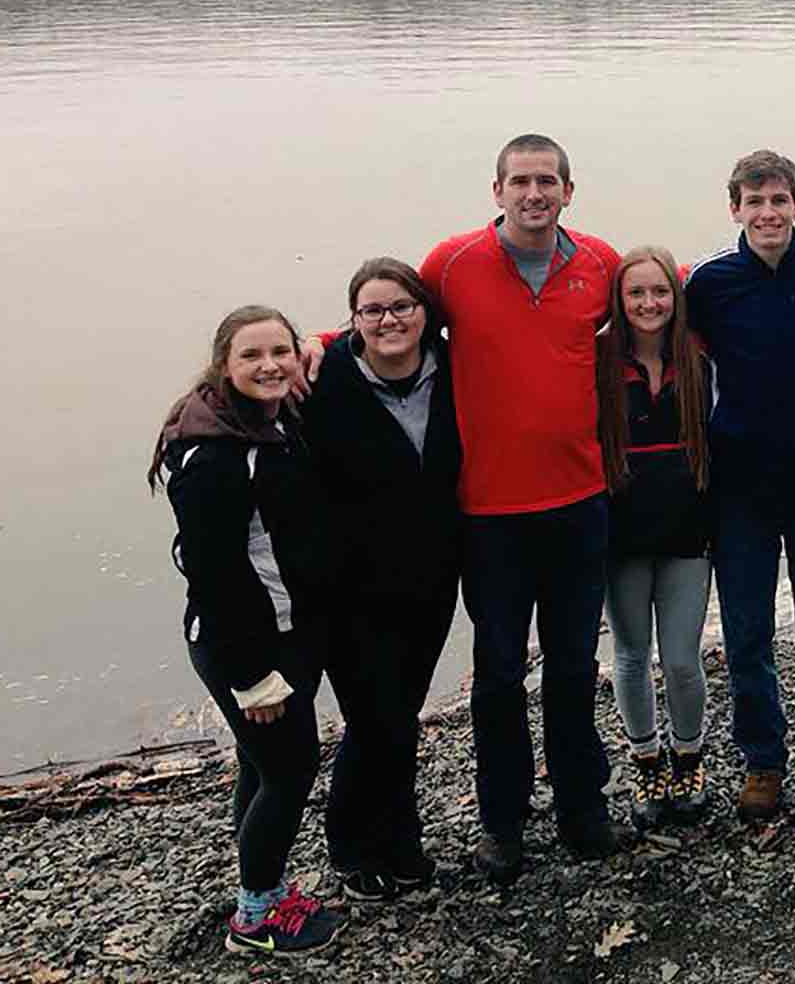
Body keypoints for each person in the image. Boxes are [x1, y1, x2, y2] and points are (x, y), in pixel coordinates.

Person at [408, 133, 623, 881]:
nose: (535, 194)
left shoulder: (599, 263)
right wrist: (318, 343)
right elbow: (393, 321)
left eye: (547, 182)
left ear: (569, 191)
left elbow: (660, 303)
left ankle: (581, 807)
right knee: (498, 672)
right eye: (521, 182)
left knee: (573, 665)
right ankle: (502, 820)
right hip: (489, 513)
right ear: (497, 190)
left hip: (579, 501)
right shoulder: (452, 264)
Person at [148, 307, 345, 957]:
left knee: (263, 768)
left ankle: (266, 885)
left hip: (287, 628)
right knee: (289, 770)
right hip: (247, 641)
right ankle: (255, 917)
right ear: (223, 366)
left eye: (281, 352)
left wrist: (324, 342)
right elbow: (215, 573)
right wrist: (252, 677)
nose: (269, 366)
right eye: (251, 356)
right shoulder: (214, 455)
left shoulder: (271, 421)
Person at [683, 151, 795, 820]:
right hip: (739, 486)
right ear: (735, 208)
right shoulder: (709, 282)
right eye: (755, 202)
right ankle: (762, 760)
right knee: (747, 634)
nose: (768, 213)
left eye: (779, 200)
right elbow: (659, 342)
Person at [301, 259, 461, 900]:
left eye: (401, 307)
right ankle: (356, 846)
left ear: (425, 312)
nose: (389, 320)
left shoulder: (454, 368)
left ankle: (394, 842)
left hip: (431, 580)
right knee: (374, 718)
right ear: (354, 320)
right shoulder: (325, 382)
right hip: (350, 589)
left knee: (402, 713)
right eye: (373, 310)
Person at [595, 246, 716, 830]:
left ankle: (689, 754)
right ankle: (646, 757)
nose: (649, 303)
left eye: (660, 291)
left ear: (677, 296)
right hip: (621, 536)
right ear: (618, 300)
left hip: (686, 533)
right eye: (636, 293)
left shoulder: (699, 355)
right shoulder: (596, 360)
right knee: (631, 654)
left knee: (683, 659)